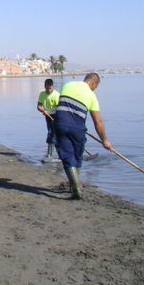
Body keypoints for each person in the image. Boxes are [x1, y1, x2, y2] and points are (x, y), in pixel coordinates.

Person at [54, 72, 112, 200]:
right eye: (95, 87)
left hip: (60, 125)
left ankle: (74, 187)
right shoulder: (92, 96)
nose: (94, 89)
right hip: (78, 129)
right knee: (77, 157)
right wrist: (105, 141)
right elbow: (98, 122)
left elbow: (63, 106)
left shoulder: (67, 85)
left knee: (67, 157)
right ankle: (77, 189)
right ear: (93, 83)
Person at [37, 78, 59, 163]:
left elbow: (60, 108)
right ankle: (54, 154)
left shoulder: (56, 95)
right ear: (44, 87)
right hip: (47, 116)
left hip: (56, 116)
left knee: (52, 134)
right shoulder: (42, 94)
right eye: (47, 88)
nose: (48, 90)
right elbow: (39, 106)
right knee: (52, 134)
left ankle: (49, 155)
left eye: (50, 88)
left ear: (53, 87)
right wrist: (43, 110)